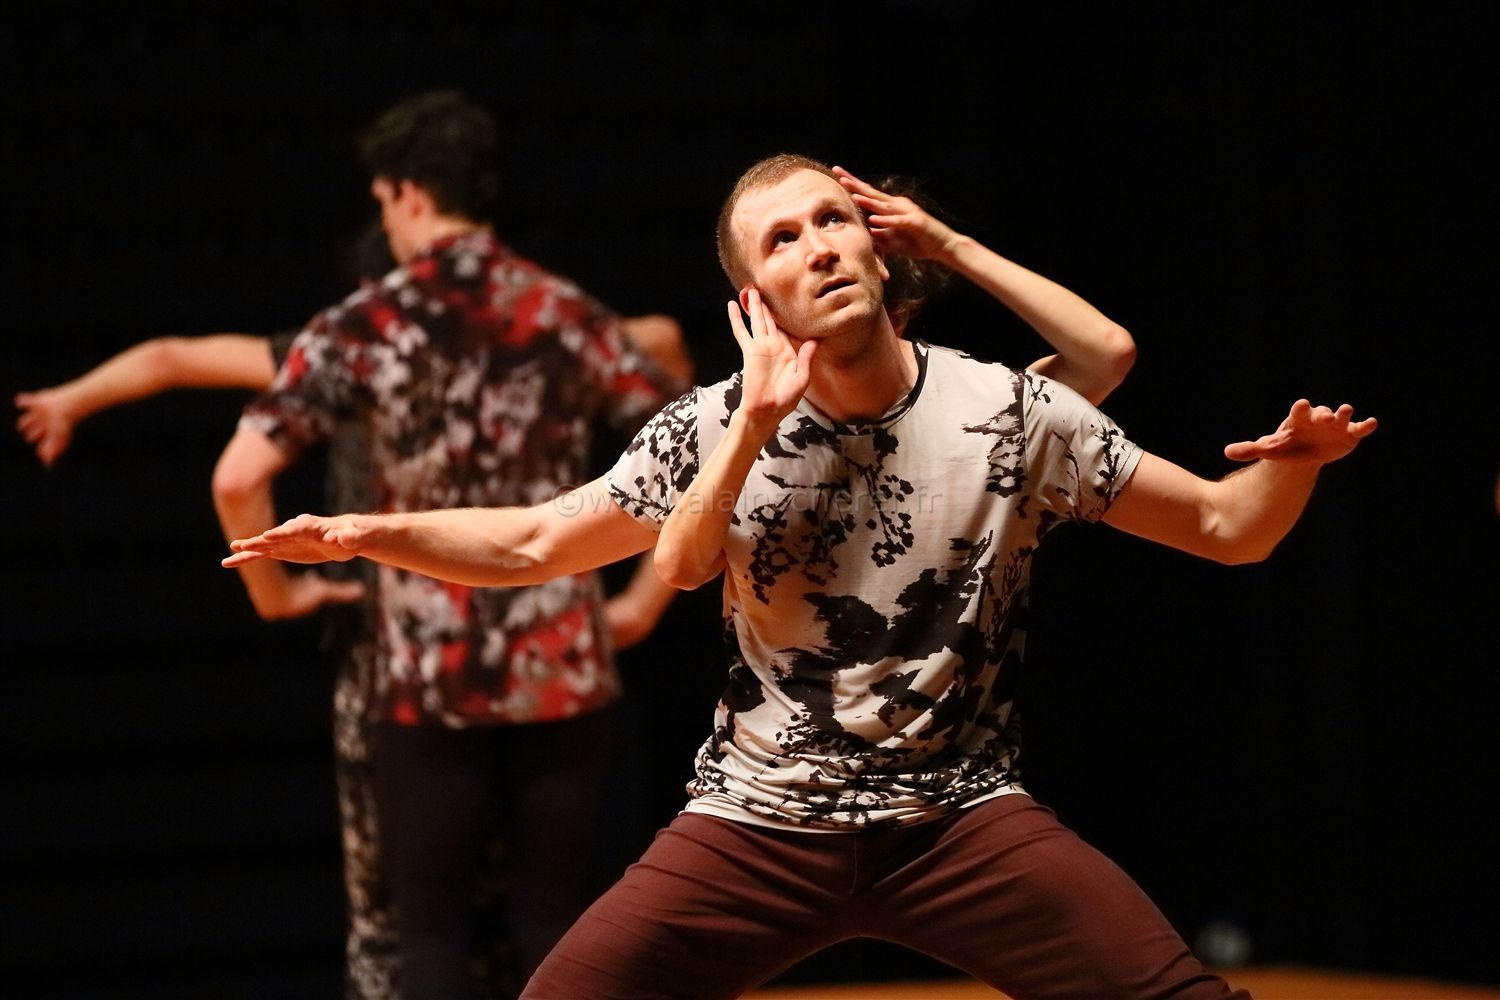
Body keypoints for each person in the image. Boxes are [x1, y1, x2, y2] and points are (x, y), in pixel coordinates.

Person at [224, 153, 1375, 1000]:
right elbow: (541, 544)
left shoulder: (1010, 412)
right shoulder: (711, 423)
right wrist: (369, 529)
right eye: (782, 239)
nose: (818, 245)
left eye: (833, 220)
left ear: (879, 252)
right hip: (756, 825)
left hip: (959, 821)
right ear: (754, 301)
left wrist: (1300, 465)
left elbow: (1229, 528)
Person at [13, 218, 688, 998]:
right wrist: (640, 602)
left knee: (404, 924)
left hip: (410, 662)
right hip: (548, 654)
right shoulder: (540, 321)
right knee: (543, 916)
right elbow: (664, 345)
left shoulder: (350, 342)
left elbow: (175, 363)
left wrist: (70, 400)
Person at [204, 91, 687, 998]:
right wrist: (640, 604)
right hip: (564, 660)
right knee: (555, 928)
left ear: (407, 193)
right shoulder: (565, 310)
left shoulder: (364, 322)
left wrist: (278, 595)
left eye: (383, 202)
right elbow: (697, 457)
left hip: (424, 670)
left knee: (427, 935)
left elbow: (238, 477)